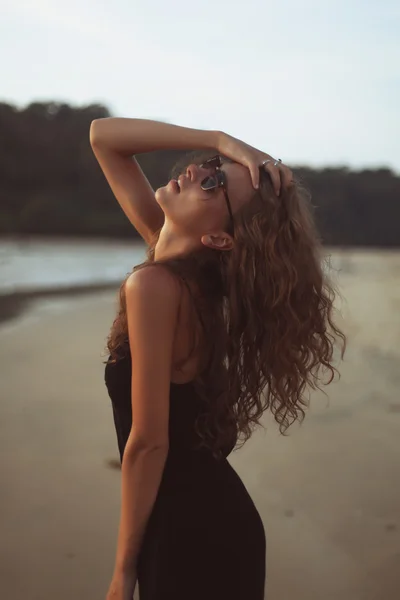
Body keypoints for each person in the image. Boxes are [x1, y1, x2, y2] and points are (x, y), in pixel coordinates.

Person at [89, 118, 346, 600]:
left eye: (212, 183)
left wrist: (123, 570)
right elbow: (103, 137)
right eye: (209, 168)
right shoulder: (176, 272)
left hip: (188, 536)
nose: (194, 173)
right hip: (210, 523)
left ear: (220, 239)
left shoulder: (156, 286)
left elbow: (148, 444)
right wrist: (219, 140)